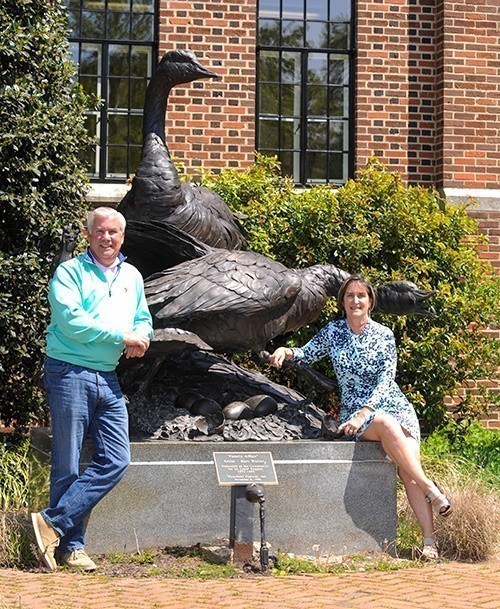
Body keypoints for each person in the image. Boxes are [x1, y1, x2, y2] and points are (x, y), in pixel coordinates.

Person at [269, 274, 452, 561]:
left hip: (392, 406)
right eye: (350, 296)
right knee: (387, 426)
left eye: (361, 296)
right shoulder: (333, 332)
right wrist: (285, 350)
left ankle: (430, 542)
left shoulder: (384, 335)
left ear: (370, 301)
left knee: (408, 470)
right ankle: (432, 490)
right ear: (343, 302)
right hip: (356, 414)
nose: (355, 300)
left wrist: (368, 411)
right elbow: (307, 353)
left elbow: (385, 380)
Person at [31, 207, 154, 572]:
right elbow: (71, 323)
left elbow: (142, 317)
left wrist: (143, 336)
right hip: (68, 371)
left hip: (108, 376)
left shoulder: (132, 275)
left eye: (114, 232)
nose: (107, 238)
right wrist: (121, 336)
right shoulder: (69, 272)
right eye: (100, 231)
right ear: (88, 235)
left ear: (122, 237)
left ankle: (50, 523)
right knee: (67, 463)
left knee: (117, 459)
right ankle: (71, 549)